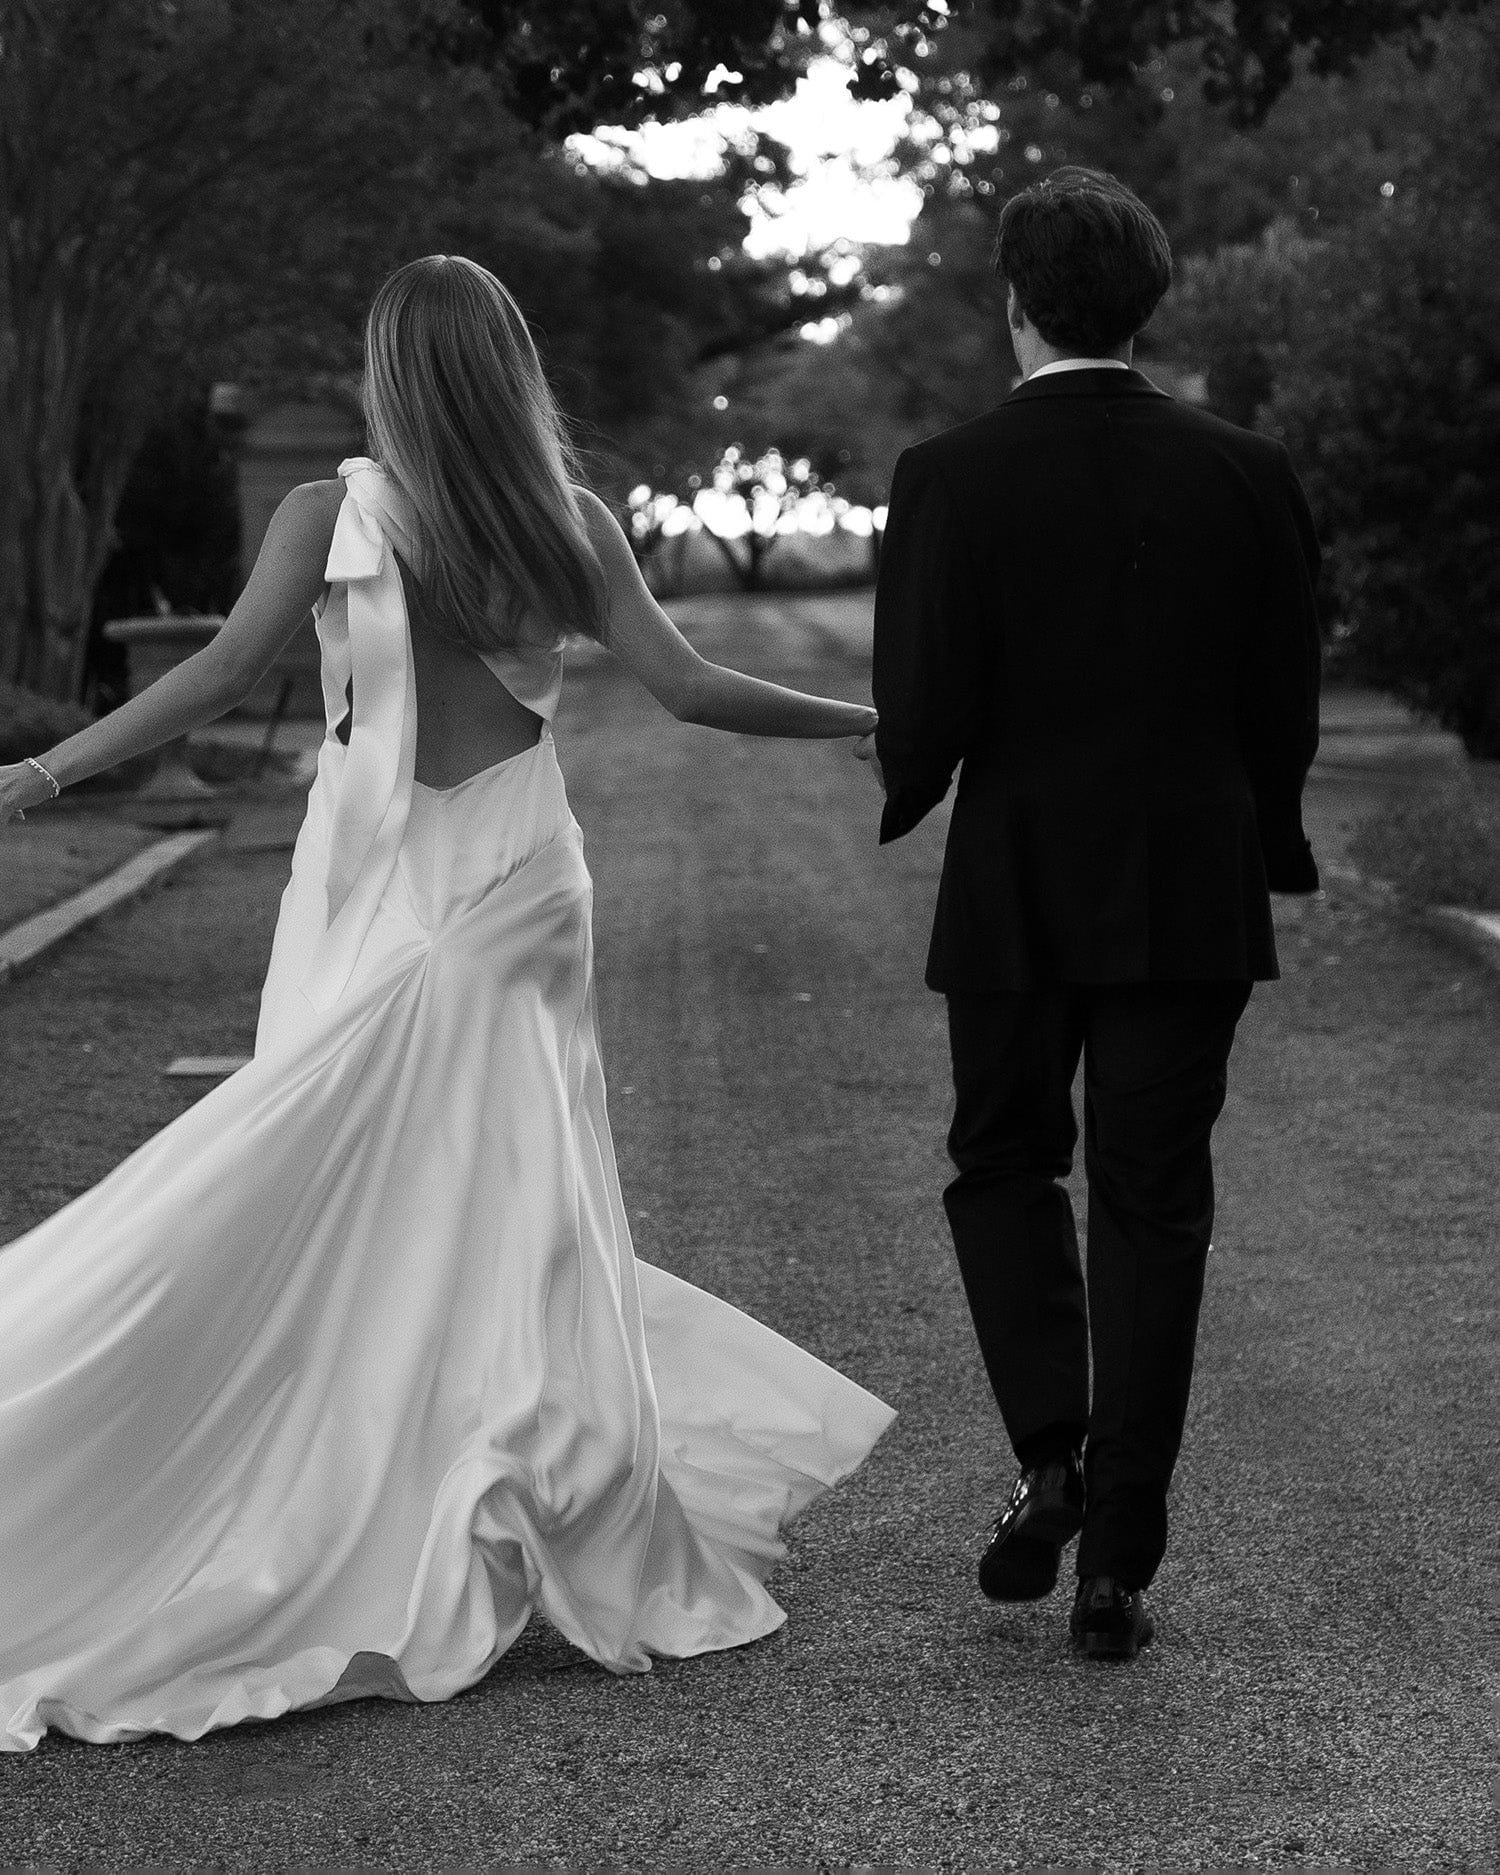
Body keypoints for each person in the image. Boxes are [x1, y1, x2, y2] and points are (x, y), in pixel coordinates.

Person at [0, 255, 893, 1753]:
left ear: (389, 375)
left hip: (386, 886)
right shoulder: (569, 521)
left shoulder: (325, 517)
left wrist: (40, 772)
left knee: (329, 1178)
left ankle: (357, 1461)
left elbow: (223, 674)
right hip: (524, 883)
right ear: (510, 368)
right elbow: (687, 688)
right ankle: (504, 1455)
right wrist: (871, 713)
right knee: (513, 1192)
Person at [860, 168, 1320, 1661]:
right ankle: (1120, 1555)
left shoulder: (947, 474)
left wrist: (912, 771)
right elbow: (1284, 709)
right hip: (1190, 877)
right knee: (1153, 1201)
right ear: (1151, 302)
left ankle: (1051, 1455)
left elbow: (922, 712)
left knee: (1001, 1164)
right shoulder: (1251, 472)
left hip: (1016, 880)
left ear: (1013, 305)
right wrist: (1271, 832)